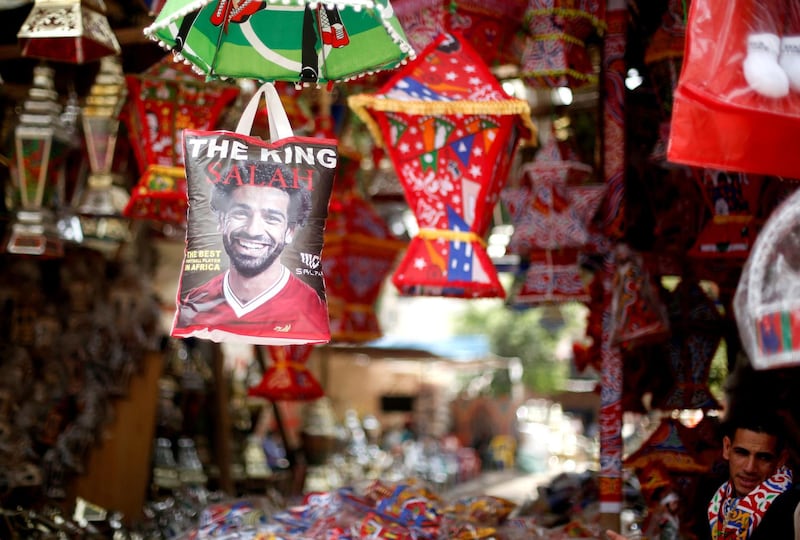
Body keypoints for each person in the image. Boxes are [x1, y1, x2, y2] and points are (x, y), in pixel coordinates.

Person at [173, 163, 329, 343]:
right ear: (222, 221)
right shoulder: (198, 301)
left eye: (271, 218)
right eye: (240, 213)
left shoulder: (308, 305)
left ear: (289, 232)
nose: (253, 230)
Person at [606, 411, 800, 540]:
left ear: (781, 459)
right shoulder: (716, 503)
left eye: (763, 457)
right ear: (726, 449)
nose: (750, 467)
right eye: (741, 453)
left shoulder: (792, 509)